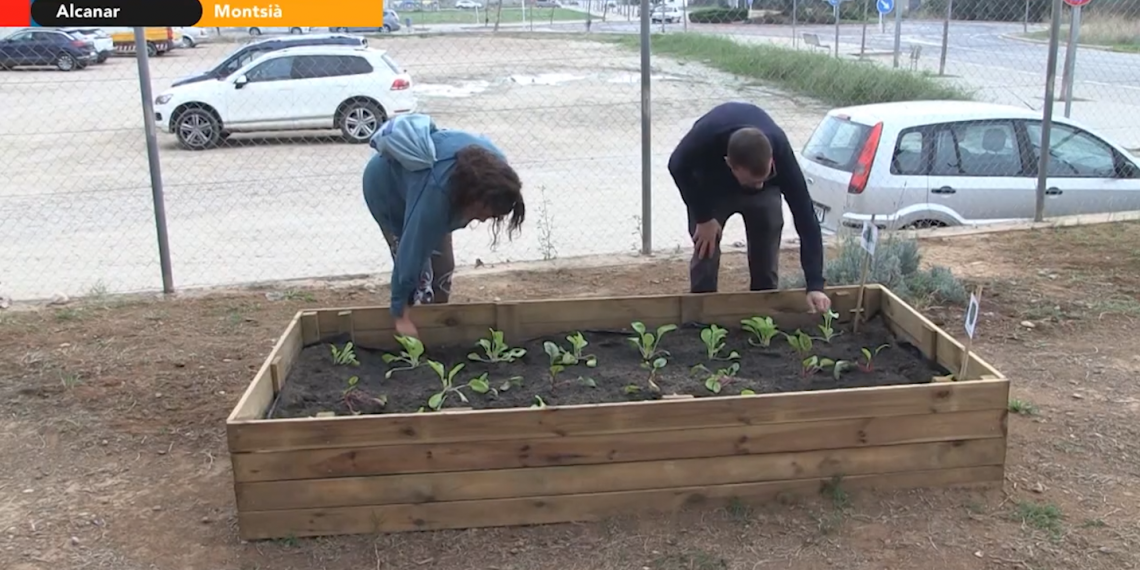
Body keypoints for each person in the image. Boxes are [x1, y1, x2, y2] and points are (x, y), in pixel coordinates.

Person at [362, 114, 525, 339]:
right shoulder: (437, 194)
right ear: (473, 198)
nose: (487, 219)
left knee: (443, 267)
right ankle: (412, 331)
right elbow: (411, 253)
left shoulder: (495, 170)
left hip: (431, 188)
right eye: (486, 213)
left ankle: (435, 327)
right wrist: (400, 313)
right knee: (421, 276)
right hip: (386, 190)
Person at [667, 101, 831, 314]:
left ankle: (763, 311)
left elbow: (805, 216)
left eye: (763, 178)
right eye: (752, 182)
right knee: (706, 247)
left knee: (767, 237)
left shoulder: (780, 151)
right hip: (712, 187)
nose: (758, 186)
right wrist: (703, 217)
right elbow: (676, 165)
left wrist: (815, 284)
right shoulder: (706, 138)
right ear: (730, 165)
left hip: (761, 186)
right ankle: (702, 313)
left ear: (771, 160)